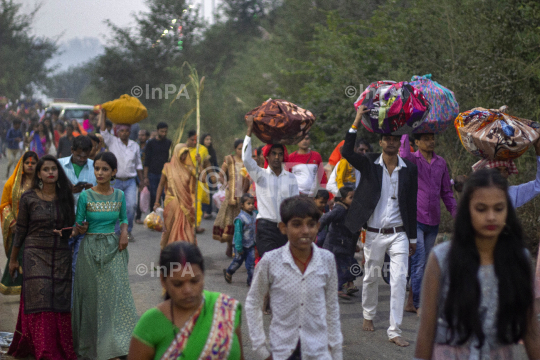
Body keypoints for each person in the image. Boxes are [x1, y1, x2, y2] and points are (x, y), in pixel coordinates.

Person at [414, 169, 540, 359]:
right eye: (481, 209)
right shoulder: (441, 259)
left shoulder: (519, 260)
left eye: (499, 208)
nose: (491, 217)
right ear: (467, 211)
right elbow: (426, 331)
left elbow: (531, 332)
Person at [341, 105, 418, 347]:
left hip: (399, 234)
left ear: (399, 142)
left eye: (396, 139)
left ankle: (394, 330)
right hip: (373, 233)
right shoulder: (368, 163)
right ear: (382, 142)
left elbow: (411, 204)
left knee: (398, 280)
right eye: (387, 139)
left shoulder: (409, 169)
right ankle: (368, 314)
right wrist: (356, 119)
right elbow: (346, 151)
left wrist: (413, 238)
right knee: (371, 277)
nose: (392, 143)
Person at [246, 196, 342, 360]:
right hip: (282, 351)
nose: (305, 231)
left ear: (318, 227)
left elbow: (331, 306)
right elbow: (253, 302)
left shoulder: (327, 260)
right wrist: (261, 349)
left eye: (311, 224)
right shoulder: (270, 261)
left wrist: (336, 351)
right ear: (283, 227)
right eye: (297, 224)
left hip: (318, 351)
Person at [7, 155, 78, 359]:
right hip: (34, 252)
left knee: (59, 299)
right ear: (38, 173)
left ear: (58, 173)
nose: (50, 172)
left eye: (53, 169)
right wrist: (13, 259)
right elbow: (20, 230)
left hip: (61, 254)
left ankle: (59, 345)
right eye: (45, 169)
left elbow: (70, 228)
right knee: (42, 295)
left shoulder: (65, 197)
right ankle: (43, 349)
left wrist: (74, 230)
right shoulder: (28, 197)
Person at [71, 151, 139, 359]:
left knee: (116, 297)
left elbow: (124, 218)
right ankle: (90, 348)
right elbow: (77, 225)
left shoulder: (119, 195)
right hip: (90, 248)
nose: (99, 173)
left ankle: (117, 345)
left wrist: (124, 233)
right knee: (91, 299)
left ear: (114, 172)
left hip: (113, 248)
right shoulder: (85, 195)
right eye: (97, 168)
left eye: (105, 169)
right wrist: (79, 229)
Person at [128, 242, 244, 360]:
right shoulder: (150, 324)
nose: (188, 290)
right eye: (178, 284)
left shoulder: (225, 309)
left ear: (203, 275)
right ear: (163, 280)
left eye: (194, 281)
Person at [399, 133, 457, 315]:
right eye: (425, 138)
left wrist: (457, 214)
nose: (430, 141)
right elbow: (403, 154)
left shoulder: (441, 163)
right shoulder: (412, 160)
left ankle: (411, 302)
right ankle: (418, 304)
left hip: (434, 220)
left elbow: (446, 191)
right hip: (416, 218)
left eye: (432, 137)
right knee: (419, 263)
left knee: (423, 263)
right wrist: (406, 130)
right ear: (416, 142)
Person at [242, 115, 300, 258]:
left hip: (285, 228)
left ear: (283, 157)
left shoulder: (291, 178)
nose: (276, 157)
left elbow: (295, 204)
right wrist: (249, 130)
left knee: (284, 265)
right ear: (267, 156)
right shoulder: (260, 175)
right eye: (273, 154)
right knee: (269, 262)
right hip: (265, 227)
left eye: (280, 154)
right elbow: (246, 159)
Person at [58, 135, 97, 295]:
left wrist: (92, 190)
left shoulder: (96, 167)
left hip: (85, 224)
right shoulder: (59, 165)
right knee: (61, 266)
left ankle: (74, 306)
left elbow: (106, 191)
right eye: (79, 155)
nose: (82, 158)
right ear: (72, 150)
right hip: (63, 222)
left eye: (85, 155)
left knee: (78, 268)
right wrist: (69, 191)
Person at [98, 109, 144, 241]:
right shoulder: (112, 141)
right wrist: (103, 114)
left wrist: (142, 180)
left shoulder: (134, 145)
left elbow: (138, 164)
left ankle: (128, 231)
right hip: (115, 180)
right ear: (118, 131)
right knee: (115, 207)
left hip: (130, 181)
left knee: (130, 206)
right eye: (122, 131)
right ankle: (117, 231)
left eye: (127, 131)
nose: (124, 133)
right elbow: (102, 130)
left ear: (130, 132)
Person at [0, 151, 38, 295]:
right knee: (18, 256)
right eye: (27, 163)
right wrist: (12, 223)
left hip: (37, 228)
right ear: (22, 164)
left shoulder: (42, 183)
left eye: (33, 163)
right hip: (19, 228)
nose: (29, 165)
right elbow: (4, 204)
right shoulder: (13, 182)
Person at [472, 138, 540, 208]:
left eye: (505, 170)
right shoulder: (474, 195)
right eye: (497, 170)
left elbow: (538, 185)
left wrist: (539, 151)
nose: (502, 174)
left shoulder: (512, 194)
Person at [155, 144, 197, 247]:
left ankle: (186, 251)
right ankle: (166, 250)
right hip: (171, 201)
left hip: (185, 202)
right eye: (182, 154)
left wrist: (199, 163)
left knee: (186, 228)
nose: (183, 156)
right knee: (169, 227)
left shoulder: (189, 168)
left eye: (186, 153)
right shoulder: (167, 167)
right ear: (176, 153)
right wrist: (156, 201)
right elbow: (161, 185)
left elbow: (203, 178)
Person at [213, 139, 250, 257]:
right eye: (239, 149)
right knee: (230, 220)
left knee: (242, 221)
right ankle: (230, 245)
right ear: (235, 149)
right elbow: (221, 175)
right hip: (231, 195)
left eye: (243, 149)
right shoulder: (229, 159)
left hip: (244, 195)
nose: (241, 151)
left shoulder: (248, 161)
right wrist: (226, 184)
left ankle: (240, 246)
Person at [320, 186, 359, 300]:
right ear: (342, 199)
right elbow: (325, 218)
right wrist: (316, 230)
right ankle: (338, 288)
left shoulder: (347, 209)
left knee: (349, 265)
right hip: (335, 245)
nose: (353, 200)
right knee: (343, 268)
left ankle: (347, 285)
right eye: (351, 197)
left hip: (343, 245)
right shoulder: (340, 209)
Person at [223, 193, 257, 286]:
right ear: (242, 205)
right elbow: (238, 234)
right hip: (240, 245)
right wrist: (238, 247)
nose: (251, 206)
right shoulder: (240, 219)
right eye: (248, 204)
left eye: (252, 204)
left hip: (251, 245)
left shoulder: (254, 215)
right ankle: (229, 272)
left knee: (251, 264)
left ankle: (250, 281)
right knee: (238, 262)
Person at [186, 130, 211, 233]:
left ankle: (196, 225)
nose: (194, 142)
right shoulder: (183, 149)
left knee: (197, 203)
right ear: (188, 139)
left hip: (199, 179)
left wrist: (212, 176)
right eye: (192, 140)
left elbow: (207, 163)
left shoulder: (202, 149)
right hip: (186, 180)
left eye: (196, 140)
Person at [144, 122, 171, 210]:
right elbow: (146, 161)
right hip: (153, 174)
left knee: (165, 195)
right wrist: (145, 177)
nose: (164, 134)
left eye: (165, 132)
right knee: (154, 196)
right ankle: (153, 218)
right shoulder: (151, 143)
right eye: (162, 131)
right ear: (157, 131)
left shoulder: (168, 143)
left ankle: (166, 216)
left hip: (165, 174)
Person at [201, 133, 218, 219]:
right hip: (201, 173)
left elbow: (215, 163)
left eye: (210, 139)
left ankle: (208, 211)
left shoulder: (212, 151)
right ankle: (203, 211)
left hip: (210, 174)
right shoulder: (199, 150)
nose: (209, 141)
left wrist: (218, 173)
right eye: (207, 139)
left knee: (210, 192)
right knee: (203, 192)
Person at [136, 129, 150, 224]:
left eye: (143, 135)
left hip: (147, 171)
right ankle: (138, 216)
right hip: (136, 172)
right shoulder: (135, 145)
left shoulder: (149, 146)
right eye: (139, 135)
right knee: (139, 194)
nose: (141, 137)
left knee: (146, 194)